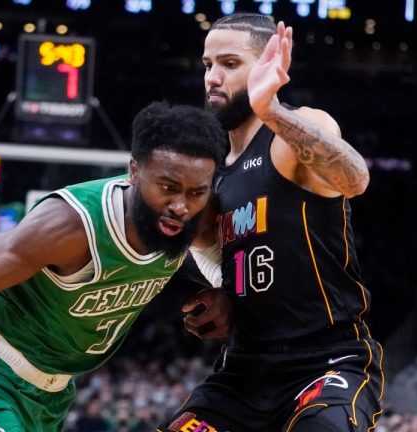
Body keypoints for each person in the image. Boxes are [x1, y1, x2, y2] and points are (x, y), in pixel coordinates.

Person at [0, 101, 228, 432]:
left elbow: (216, 256)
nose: (180, 205)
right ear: (134, 171)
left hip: (54, 393)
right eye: (167, 187)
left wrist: (226, 294)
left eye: (195, 192)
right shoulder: (70, 225)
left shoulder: (193, 216)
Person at [160, 13, 384, 432]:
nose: (212, 77)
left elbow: (355, 178)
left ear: (268, 64)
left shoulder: (294, 132)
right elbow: (220, 263)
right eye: (208, 65)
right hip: (244, 369)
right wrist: (225, 298)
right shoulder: (210, 176)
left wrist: (272, 110)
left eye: (229, 64)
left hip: (325, 361)